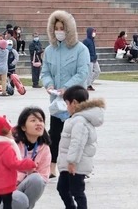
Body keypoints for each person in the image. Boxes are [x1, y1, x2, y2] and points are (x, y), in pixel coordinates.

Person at [41, 10, 91, 177]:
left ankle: (79, 167)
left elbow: (83, 72)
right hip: (57, 100)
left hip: (76, 100)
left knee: (77, 135)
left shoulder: (81, 49)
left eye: (62, 27)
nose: (59, 31)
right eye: (56, 28)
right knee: (55, 133)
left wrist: (67, 88)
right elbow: (45, 71)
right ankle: (52, 166)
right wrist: (48, 84)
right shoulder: (49, 50)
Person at [57, 85, 105, 209]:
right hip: (69, 164)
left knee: (77, 191)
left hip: (75, 165)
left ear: (74, 103)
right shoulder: (76, 119)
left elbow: (77, 143)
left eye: (67, 104)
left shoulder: (80, 121)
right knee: (62, 188)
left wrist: (72, 162)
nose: (66, 108)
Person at [0, 115, 37, 209]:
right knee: (7, 203)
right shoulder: (6, 148)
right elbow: (14, 163)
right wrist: (29, 163)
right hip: (5, 183)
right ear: (6, 131)